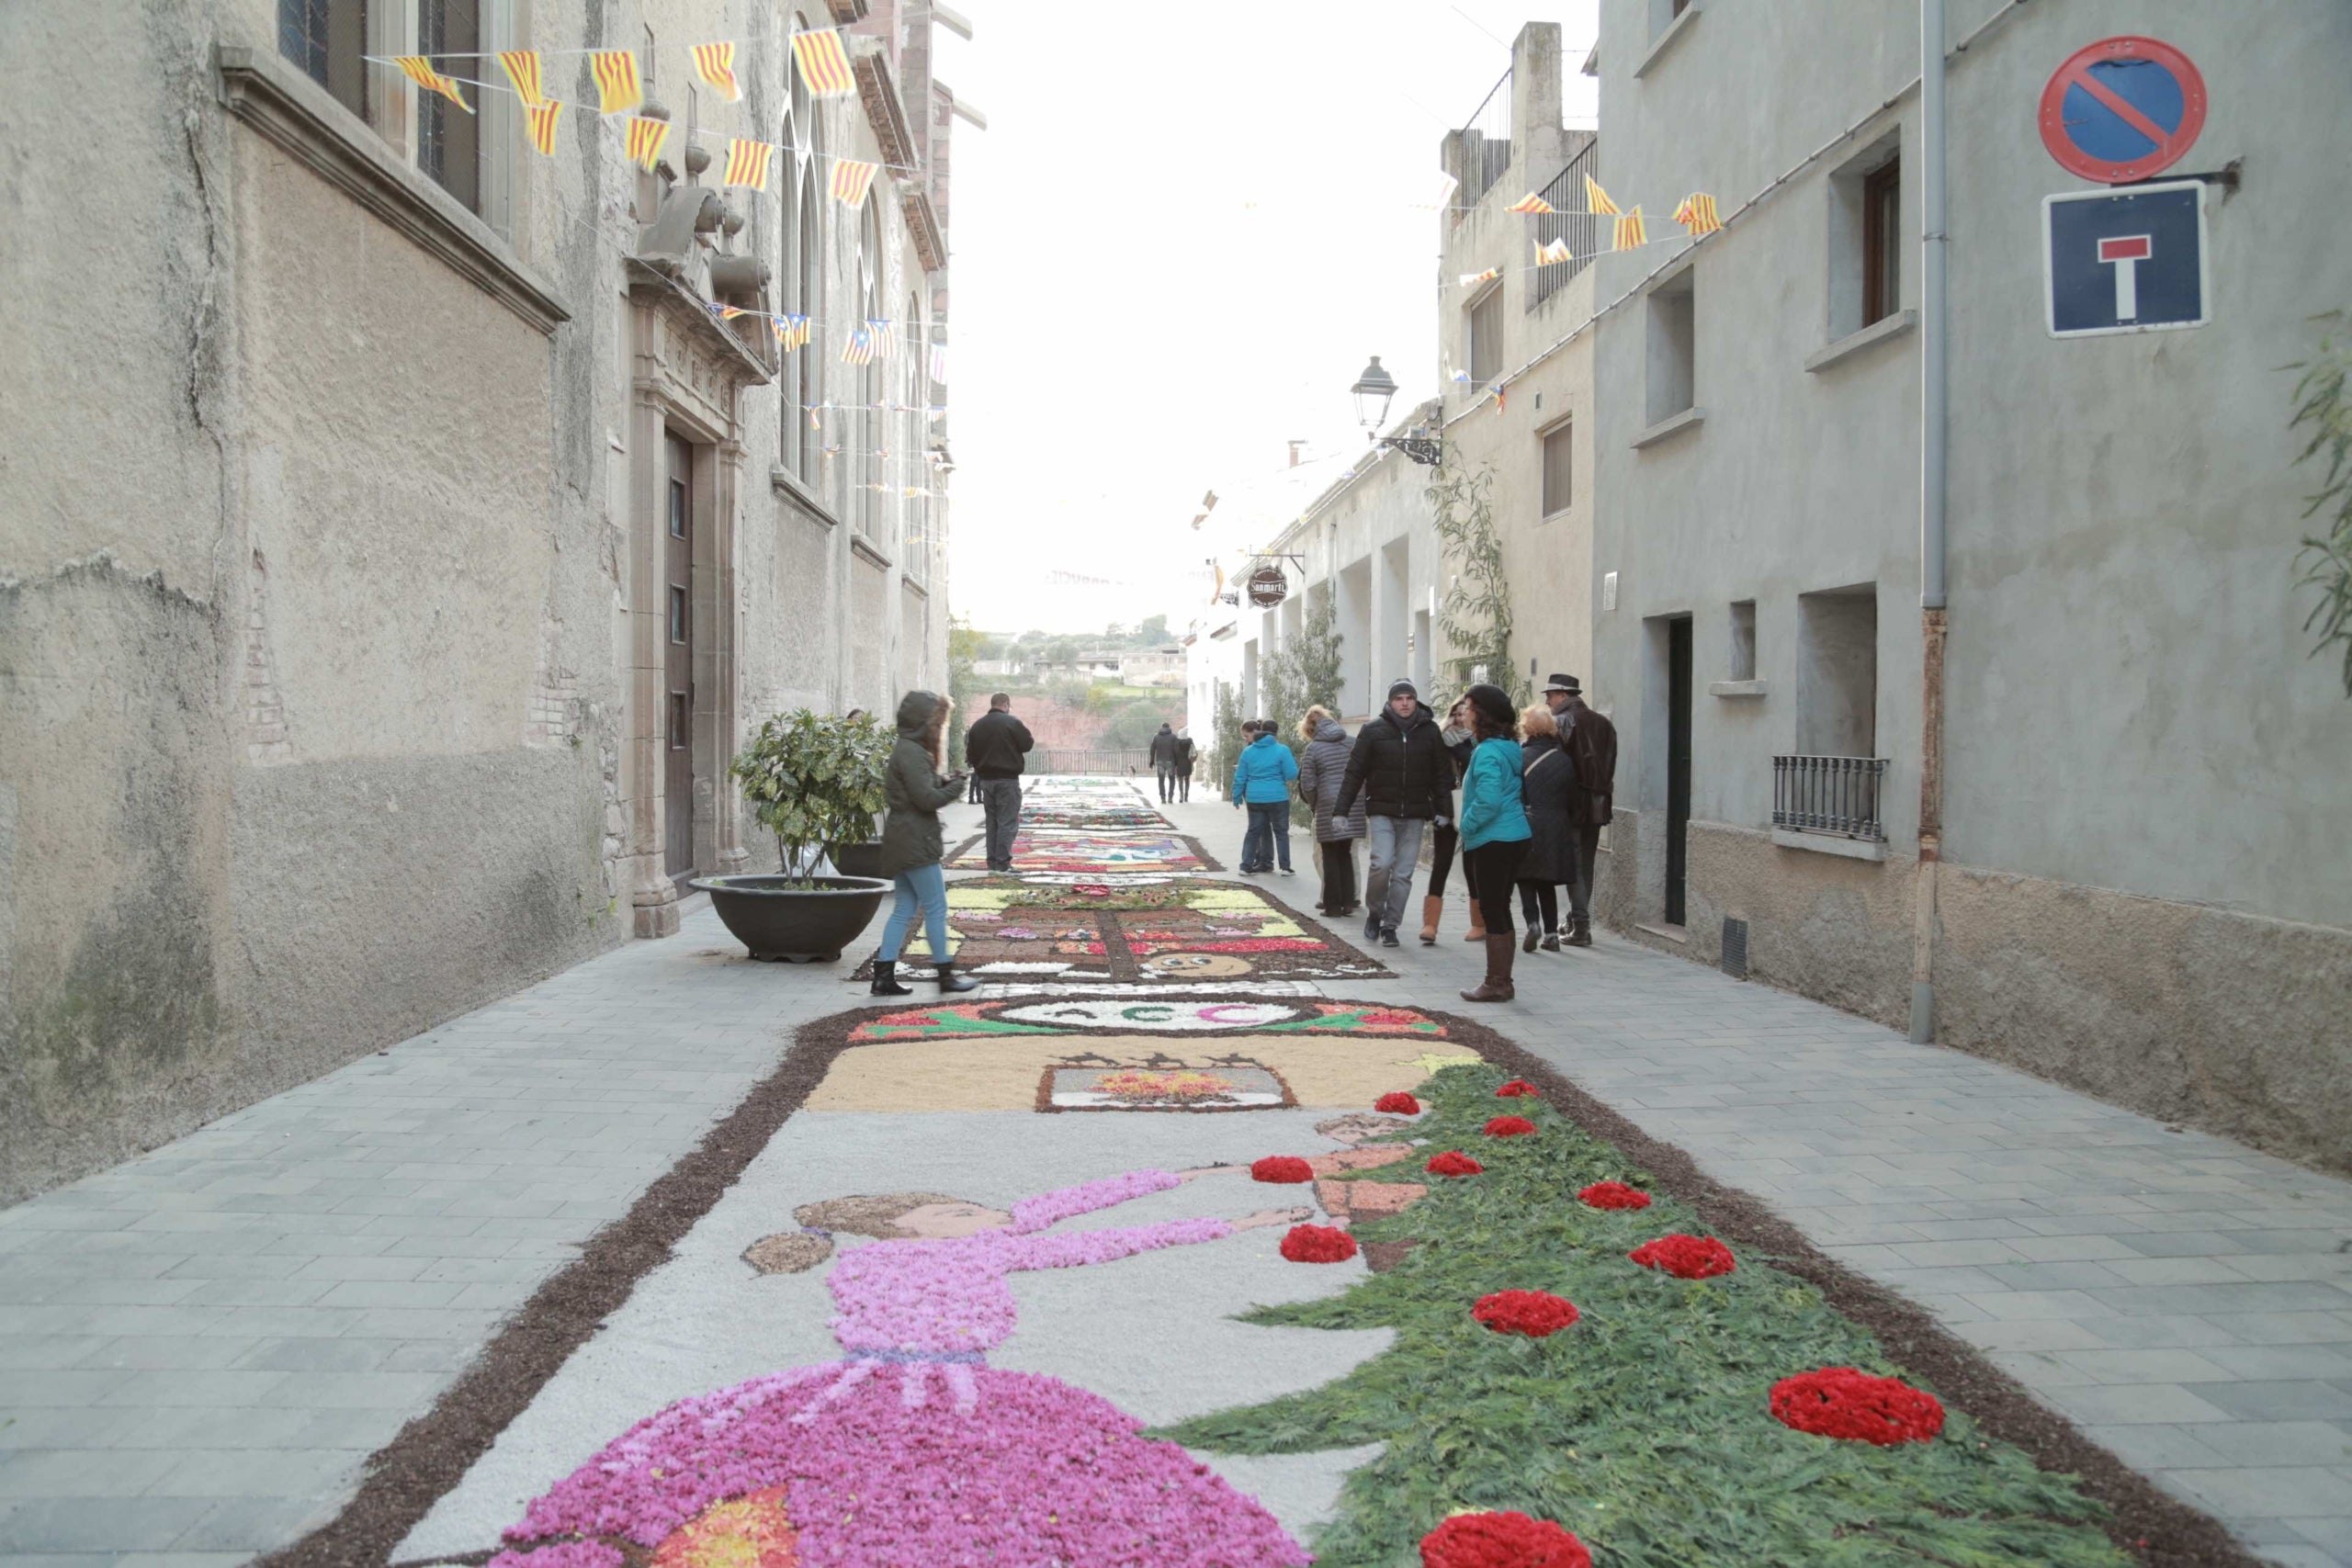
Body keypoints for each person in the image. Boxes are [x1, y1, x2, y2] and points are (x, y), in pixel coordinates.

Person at [503, 1169, 1316, 1567]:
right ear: (907, 1227)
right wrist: (1230, 1216)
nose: (985, 1215)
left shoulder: (898, 1255)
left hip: (849, 1386)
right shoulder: (942, 1258)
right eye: (957, 1211)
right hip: (950, 1388)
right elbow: (1064, 1229)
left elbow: (1055, 1206)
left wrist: (1187, 1179)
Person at [870, 691, 978, 997]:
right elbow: (926, 799)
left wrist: (943, 780)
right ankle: (945, 976)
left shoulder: (907, 748)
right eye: (936, 722)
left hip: (903, 837)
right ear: (923, 722)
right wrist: (955, 786)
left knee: (904, 908)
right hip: (915, 839)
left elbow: (918, 788)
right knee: (936, 906)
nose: (939, 728)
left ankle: (883, 977)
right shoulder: (913, 752)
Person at [1335, 679, 1452, 949]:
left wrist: (1444, 810)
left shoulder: (1430, 732)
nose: (1404, 703)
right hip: (1382, 811)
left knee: (1403, 874)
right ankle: (1375, 912)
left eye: (1409, 698)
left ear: (1415, 701)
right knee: (1381, 863)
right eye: (1399, 698)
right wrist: (1341, 811)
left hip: (1414, 813)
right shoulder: (1373, 730)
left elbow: (1441, 774)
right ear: (1390, 703)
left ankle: (1391, 924)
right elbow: (1354, 772)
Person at [1455, 684, 1532, 1002]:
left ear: (1483, 714)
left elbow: (1488, 800)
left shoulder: (1487, 752)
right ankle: (1501, 980)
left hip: (1494, 838)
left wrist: (1466, 826)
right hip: (1514, 835)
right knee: (1500, 906)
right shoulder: (1507, 747)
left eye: (1469, 707)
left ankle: (1497, 982)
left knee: (1493, 909)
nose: (1464, 713)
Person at [1543, 673, 1619, 947]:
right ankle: (1576, 921)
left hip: (1572, 804)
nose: (1548, 701)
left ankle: (1581, 926)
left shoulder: (1562, 721)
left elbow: (1556, 767)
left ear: (1563, 695)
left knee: (1573, 865)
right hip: (1598, 803)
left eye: (1550, 695)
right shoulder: (1605, 725)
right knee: (1586, 863)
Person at [1515, 705, 1577, 953]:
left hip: (1526, 822)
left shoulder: (1520, 757)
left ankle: (1532, 923)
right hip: (1556, 826)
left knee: (1525, 878)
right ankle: (1552, 934)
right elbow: (1572, 797)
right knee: (1546, 882)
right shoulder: (1564, 760)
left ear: (1526, 729)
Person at [1294, 706, 1366, 916]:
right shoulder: (1352, 742)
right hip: (1352, 804)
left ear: (1309, 729)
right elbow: (1363, 774)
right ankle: (1348, 903)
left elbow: (1307, 783)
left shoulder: (1314, 748)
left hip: (1327, 805)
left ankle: (1332, 906)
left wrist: (1314, 804)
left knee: (1329, 855)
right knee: (1346, 853)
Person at [1421, 696, 1479, 945]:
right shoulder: (1439, 741)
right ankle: (1430, 925)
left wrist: (1460, 746)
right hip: (1445, 810)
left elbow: (1472, 765)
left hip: (1472, 811)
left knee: (1472, 868)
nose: (1458, 718)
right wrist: (1436, 809)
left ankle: (1479, 923)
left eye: (1463, 713)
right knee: (1441, 865)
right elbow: (1432, 778)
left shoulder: (1478, 743)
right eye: (1454, 713)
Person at [964, 693, 1035, 874]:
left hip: (986, 781)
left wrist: (981, 767)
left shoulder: (978, 726)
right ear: (1006, 704)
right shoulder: (1011, 722)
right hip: (1007, 780)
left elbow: (970, 754)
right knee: (1007, 822)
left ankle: (993, 861)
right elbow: (1027, 744)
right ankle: (1003, 863)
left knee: (992, 822)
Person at [1229, 719, 1299, 874]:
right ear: (1275, 735)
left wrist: (1237, 796)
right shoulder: (1282, 750)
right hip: (1278, 797)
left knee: (1253, 832)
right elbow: (1292, 774)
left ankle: (1245, 866)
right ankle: (1285, 867)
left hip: (1255, 798)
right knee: (1281, 832)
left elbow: (1240, 776)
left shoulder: (1248, 752)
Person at [1148, 722, 1181, 804]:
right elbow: (1177, 750)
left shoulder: (1156, 737)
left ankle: (1163, 798)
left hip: (1160, 762)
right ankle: (1170, 797)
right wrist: (1177, 762)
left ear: (1161, 727)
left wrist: (1152, 760)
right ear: (1169, 727)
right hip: (1170, 761)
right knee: (1172, 779)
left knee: (1161, 780)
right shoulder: (1173, 737)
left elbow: (1152, 749)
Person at [1171, 728, 1197, 803]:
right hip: (1187, 762)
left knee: (1180, 781)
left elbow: (1174, 752)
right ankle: (1186, 796)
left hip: (1179, 763)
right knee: (1187, 779)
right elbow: (1194, 751)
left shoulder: (1176, 742)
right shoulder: (1190, 741)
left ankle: (1181, 796)